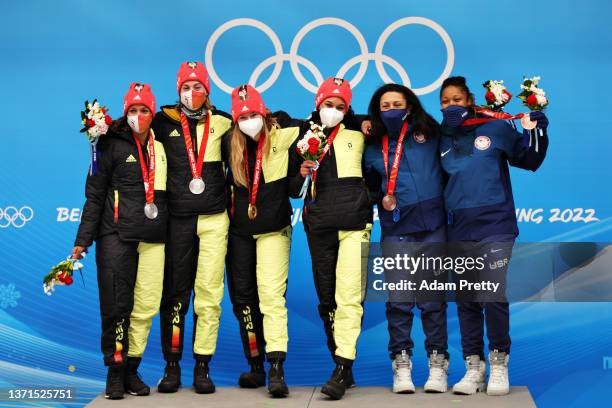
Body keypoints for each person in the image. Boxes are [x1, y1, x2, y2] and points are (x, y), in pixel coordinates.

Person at [438, 76, 549, 396]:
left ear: (470, 100)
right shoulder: (441, 137)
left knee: (491, 292)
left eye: (457, 100)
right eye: (445, 101)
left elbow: (530, 159)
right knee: (466, 298)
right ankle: (474, 366)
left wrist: (538, 128)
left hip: (495, 225)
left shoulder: (496, 127)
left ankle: (499, 363)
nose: (451, 106)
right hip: (458, 228)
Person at [73, 83, 168, 399]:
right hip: (115, 235)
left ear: (152, 113)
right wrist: (83, 240)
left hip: (153, 236)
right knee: (116, 305)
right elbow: (95, 195)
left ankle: (131, 369)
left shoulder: (163, 143)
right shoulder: (108, 144)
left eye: (143, 110)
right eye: (132, 110)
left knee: (145, 306)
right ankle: (115, 371)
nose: (138, 116)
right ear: (125, 113)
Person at [289, 77, 373, 400]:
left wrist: (367, 199)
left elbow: (376, 170)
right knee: (328, 301)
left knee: (350, 297)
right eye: (328, 105)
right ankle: (343, 367)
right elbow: (294, 192)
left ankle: (341, 367)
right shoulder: (303, 135)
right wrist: (301, 172)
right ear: (317, 103)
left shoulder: (360, 131)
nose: (334, 111)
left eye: (341, 106)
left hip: (356, 225)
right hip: (319, 226)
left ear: (348, 108)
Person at [362, 83, 449, 393]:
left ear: (409, 105)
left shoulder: (430, 132)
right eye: (384, 106)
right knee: (398, 300)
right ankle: (401, 363)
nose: (391, 110)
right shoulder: (372, 144)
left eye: (396, 104)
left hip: (433, 227)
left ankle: (437, 364)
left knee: (431, 300)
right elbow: (369, 185)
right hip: (396, 227)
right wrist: (379, 198)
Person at [152, 62, 232, 394]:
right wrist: (101, 131)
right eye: (186, 86)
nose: (192, 92)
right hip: (177, 220)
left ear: (208, 91)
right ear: (177, 89)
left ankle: (203, 365)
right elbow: (131, 137)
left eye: (198, 86)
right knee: (174, 295)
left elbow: (266, 130)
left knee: (210, 296)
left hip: (214, 218)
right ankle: (172, 366)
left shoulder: (225, 122)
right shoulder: (162, 121)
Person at [224, 84, 301, 397]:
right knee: (242, 299)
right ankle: (255, 364)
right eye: (242, 116)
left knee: (270, 296)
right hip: (239, 231)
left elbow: (323, 120)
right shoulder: (228, 142)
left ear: (265, 112)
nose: (249, 120)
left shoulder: (284, 132)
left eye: (254, 113)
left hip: (273, 228)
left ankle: (276, 368)